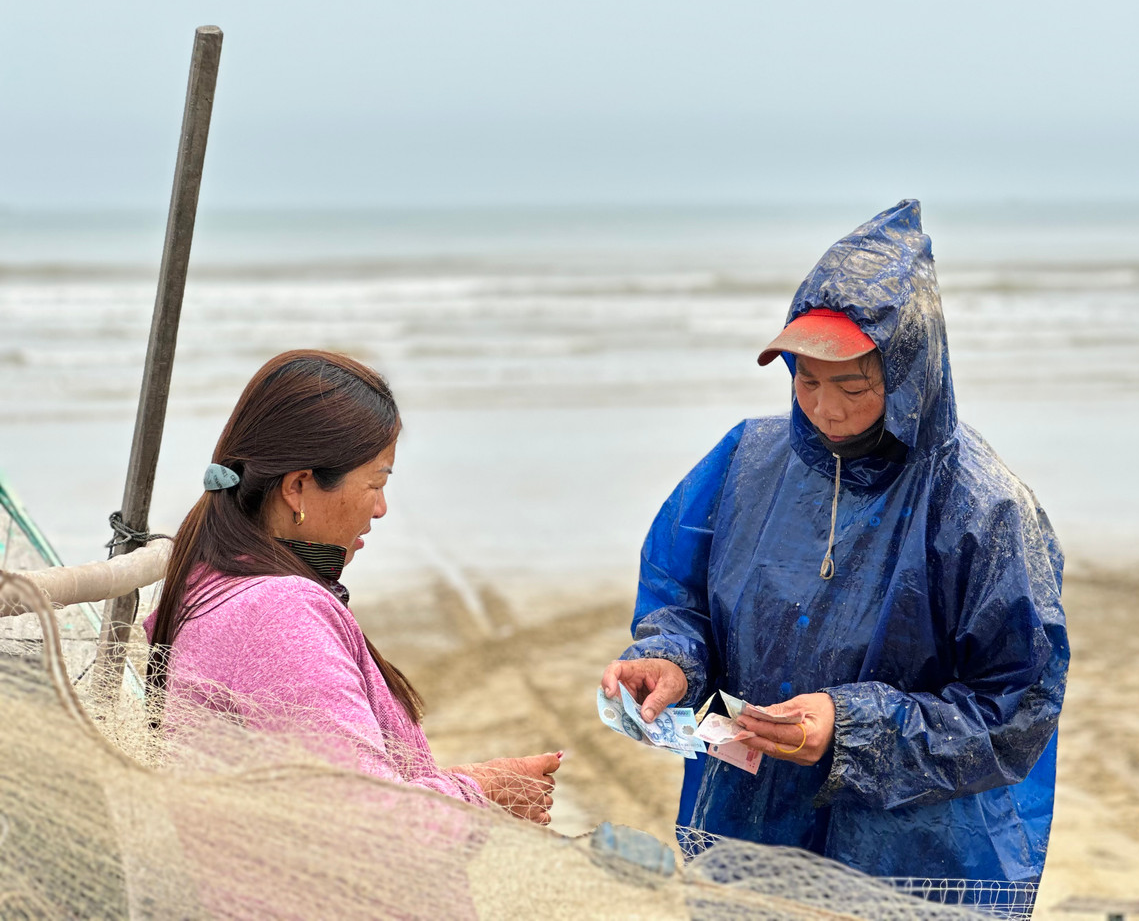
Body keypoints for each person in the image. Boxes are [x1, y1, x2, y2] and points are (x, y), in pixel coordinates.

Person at [601, 200, 1068, 888]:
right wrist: (670, 659)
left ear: (908, 375)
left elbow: (1017, 706)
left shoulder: (984, 508)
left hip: (911, 853)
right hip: (746, 814)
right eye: (807, 379)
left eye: (853, 383)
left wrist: (851, 726)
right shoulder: (744, 459)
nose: (826, 408)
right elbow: (682, 594)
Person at [146, 350, 560, 823]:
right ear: (298, 487)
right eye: (375, 482)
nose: (380, 508)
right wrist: (482, 790)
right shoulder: (277, 614)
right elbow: (367, 819)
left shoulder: (215, 579)